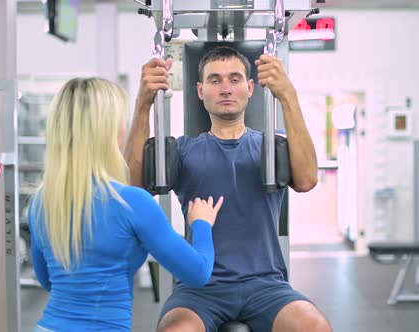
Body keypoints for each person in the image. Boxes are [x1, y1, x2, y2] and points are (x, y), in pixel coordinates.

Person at [125, 47, 332, 332]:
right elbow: (132, 189)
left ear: (250, 88)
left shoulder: (273, 148)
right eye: (214, 80)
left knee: (315, 327)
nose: (225, 88)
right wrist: (143, 103)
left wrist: (288, 95)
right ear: (200, 91)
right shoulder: (183, 151)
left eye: (235, 80)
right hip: (199, 286)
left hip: (266, 284)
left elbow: (307, 180)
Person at [27, 77, 224, 332]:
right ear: (107, 131)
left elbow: (49, 281)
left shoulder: (42, 202)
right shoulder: (131, 202)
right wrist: (201, 224)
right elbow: (197, 273)